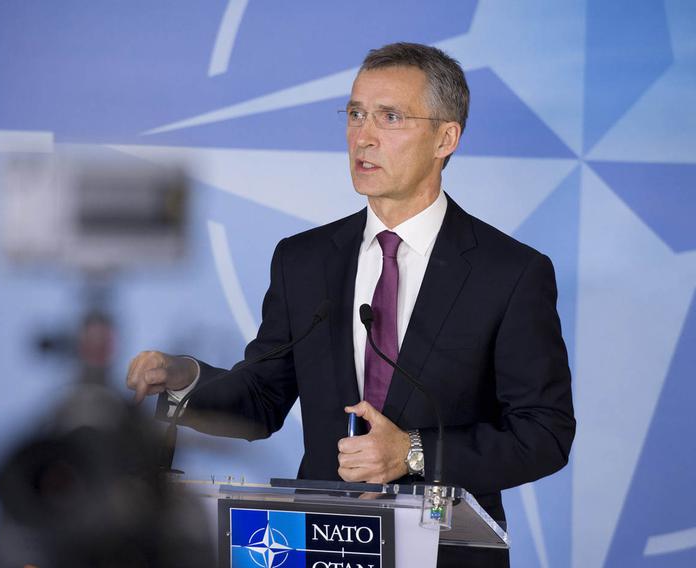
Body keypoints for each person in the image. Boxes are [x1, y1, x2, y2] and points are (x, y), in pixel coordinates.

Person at [127, 42, 575, 567]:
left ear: (446, 138)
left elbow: (543, 434)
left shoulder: (511, 273)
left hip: (444, 550)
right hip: (312, 546)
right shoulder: (304, 260)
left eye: (390, 117)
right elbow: (263, 398)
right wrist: (185, 379)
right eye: (356, 114)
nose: (364, 137)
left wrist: (412, 451)